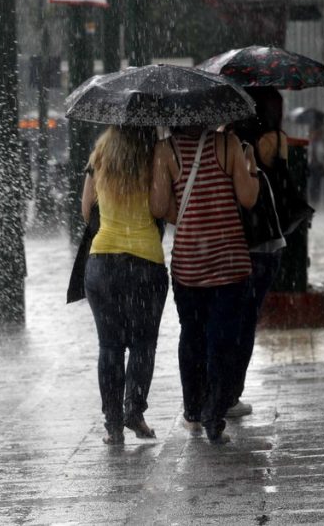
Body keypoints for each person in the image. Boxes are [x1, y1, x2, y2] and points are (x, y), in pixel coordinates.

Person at [150, 124, 259, 445]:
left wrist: (187, 217)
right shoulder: (228, 144)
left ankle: (193, 410)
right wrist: (250, 164)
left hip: (189, 263)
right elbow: (248, 198)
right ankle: (215, 412)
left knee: (192, 335)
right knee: (223, 339)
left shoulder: (165, 150)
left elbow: (158, 207)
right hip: (229, 259)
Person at [79, 126, 169, 445]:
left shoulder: (101, 153)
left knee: (110, 346)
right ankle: (134, 410)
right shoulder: (155, 154)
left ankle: (113, 425)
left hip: (102, 263)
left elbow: (86, 207)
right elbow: (160, 208)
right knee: (143, 344)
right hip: (144, 263)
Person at [225, 88, 289, 418]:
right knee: (247, 322)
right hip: (267, 239)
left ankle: (219, 390)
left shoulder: (231, 142)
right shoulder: (276, 140)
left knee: (228, 319)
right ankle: (232, 391)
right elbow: (284, 184)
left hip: (235, 238)